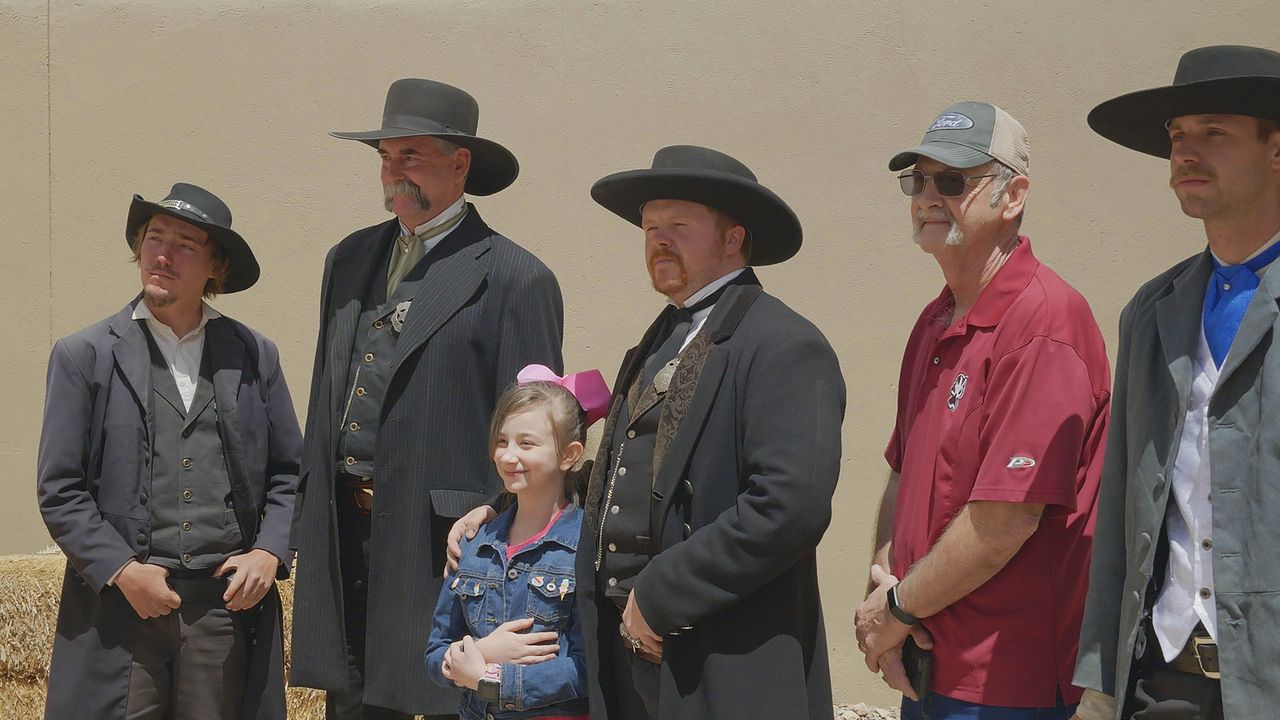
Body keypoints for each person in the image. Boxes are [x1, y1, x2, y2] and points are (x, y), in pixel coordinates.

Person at [452, 144, 845, 719]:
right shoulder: (660, 339)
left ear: (733, 238)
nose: (657, 240)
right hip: (631, 655)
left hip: (722, 653)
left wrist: (660, 594)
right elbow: (622, 479)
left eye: (678, 226)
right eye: (650, 227)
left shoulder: (784, 345)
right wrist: (507, 506)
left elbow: (788, 507)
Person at [289, 77, 564, 720]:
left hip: (443, 543)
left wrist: (498, 529)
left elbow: (536, 431)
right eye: (386, 156)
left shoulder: (515, 277)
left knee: (444, 702)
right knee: (352, 700)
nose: (392, 171)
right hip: (346, 531)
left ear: (459, 162)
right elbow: (326, 393)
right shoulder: (348, 258)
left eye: (410, 155)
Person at [854, 102, 1111, 720]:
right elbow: (902, 472)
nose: (927, 198)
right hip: (927, 662)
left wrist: (895, 612)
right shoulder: (937, 318)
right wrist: (884, 595)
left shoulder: (1044, 321)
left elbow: (1005, 519)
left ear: (1013, 195)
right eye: (918, 180)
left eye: (952, 181)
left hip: (1005, 681)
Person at [36, 183, 301, 719]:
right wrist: (122, 570)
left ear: (214, 266)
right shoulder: (83, 355)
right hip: (121, 607)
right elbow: (60, 490)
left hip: (222, 608)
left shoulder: (253, 354)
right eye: (153, 238)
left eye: (184, 243)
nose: (161, 254)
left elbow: (289, 473)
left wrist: (269, 551)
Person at [1073, 45, 1280, 720]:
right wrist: (1101, 683)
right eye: (1177, 138)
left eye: (1213, 133)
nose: (1185, 154)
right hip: (1163, 680)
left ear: (1277, 149)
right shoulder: (1153, 310)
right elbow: (1120, 507)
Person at [426, 364, 610, 720]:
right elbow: (436, 651)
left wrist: (490, 678)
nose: (508, 456)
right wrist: (481, 650)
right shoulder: (474, 542)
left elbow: (588, 667)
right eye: (501, 441)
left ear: (569, 455)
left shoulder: (586, 546)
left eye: (526, 443)